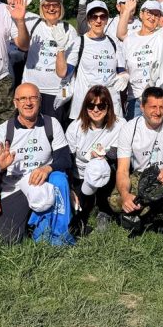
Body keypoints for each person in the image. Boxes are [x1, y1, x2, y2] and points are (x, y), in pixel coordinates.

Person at [0, 82, 72, 243]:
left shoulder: (51, 124)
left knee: (59, 177)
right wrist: (0, 167)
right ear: (15, 103)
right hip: (15, 188)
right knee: (9, 239)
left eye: (33, 98)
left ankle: (55, 232)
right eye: (23, 99)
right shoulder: (4, 130)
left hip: (44, 182)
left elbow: (65, 159)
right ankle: (34, 222)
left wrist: (47, 168)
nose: (28, 103)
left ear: (40, 101)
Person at [110, 86, 163, 232]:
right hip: (142, 175)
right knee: (116, 201)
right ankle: (149, 214)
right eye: (153, 107)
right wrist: (125, 195)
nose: (158, 112)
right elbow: (122, 170)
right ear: (142, 107)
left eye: (162, 107)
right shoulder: (129, 129)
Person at [65, 85, 125, 232]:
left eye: (101, 106)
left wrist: (105, 155)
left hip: (106, 172)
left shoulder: (120, 125)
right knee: (78, 211)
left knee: (99, 165)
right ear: (85, 107)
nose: (96, 110)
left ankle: (104, 211)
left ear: (108, 107)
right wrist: (70, 186)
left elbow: (122, 152)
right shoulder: (75, 127)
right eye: (91, 106)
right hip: (81, 174)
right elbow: (68, 159)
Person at [22, 0, 81, 119]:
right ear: (41, 8)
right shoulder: (33, 23)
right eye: (47, 5)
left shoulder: (69, 31)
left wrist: (60, 48)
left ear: (61, 7)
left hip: (55, 92)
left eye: (55, 5)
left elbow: (65, 72)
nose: (51, 9)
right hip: (31, 90)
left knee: (53, 129)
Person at [68, 0, 129, 120]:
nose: (98, 20)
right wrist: (60, 50)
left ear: (106, 20)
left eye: (102, 16)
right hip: (86, 104)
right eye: (94, 17)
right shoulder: (79, 42)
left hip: (110, 103)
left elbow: (121, 69)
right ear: (88, 20)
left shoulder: (113, 42)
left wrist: (125, 75)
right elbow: (64, 72)